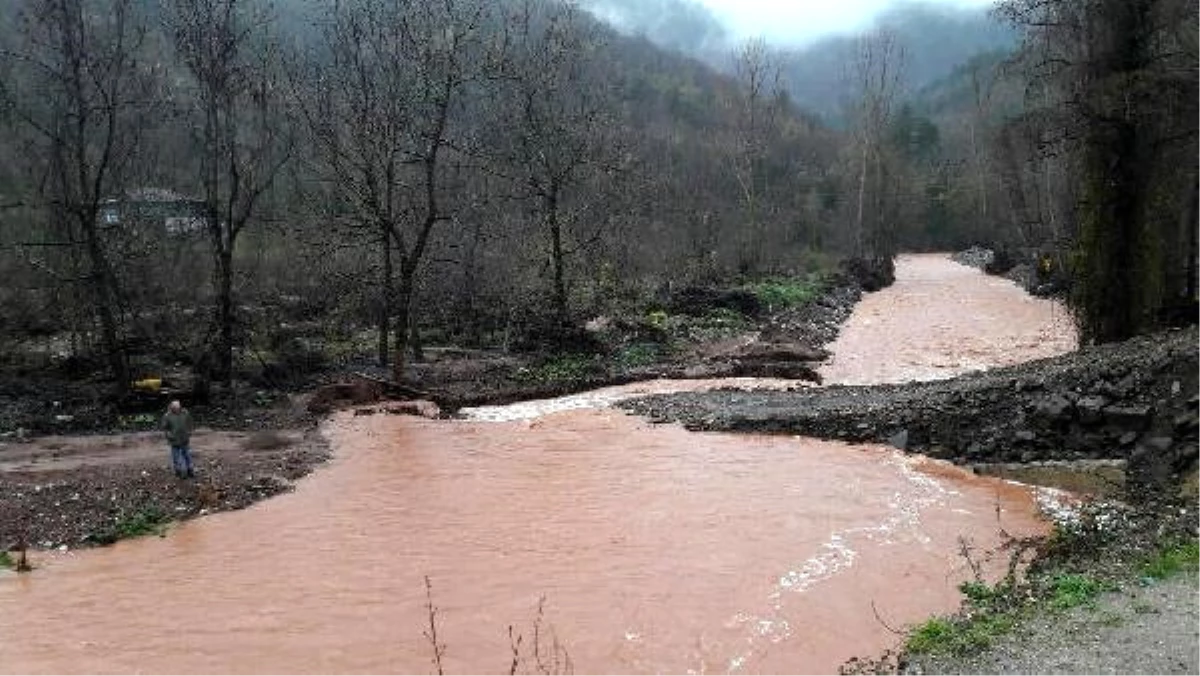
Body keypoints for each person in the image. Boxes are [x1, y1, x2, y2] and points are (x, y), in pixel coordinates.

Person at [162, 400, 195, 479]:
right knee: (176, 457)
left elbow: (190, 422)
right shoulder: (167, 416)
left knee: (187, 456)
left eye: (178, 407)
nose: (177, 409)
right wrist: (169, 436)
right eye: (174, 408)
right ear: (171, 408)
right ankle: (178, 472)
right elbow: (165, 428)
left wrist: (189, 432)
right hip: (174, 440)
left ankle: (190, 471)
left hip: (184, 439)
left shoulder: (185, 413)